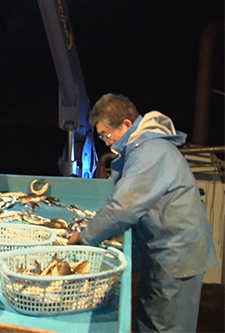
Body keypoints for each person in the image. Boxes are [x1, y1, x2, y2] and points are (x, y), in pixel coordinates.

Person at [68, 93, 217, 332]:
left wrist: (85, 237)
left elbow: (124, 207)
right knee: (150, 320)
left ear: (127, 124)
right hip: (164, 254)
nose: (106, 142)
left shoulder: (150, 151)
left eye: (107, 135)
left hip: (176, 257)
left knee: (166, 326)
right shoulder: (143, 146)